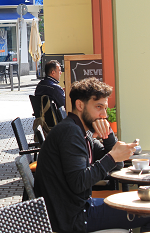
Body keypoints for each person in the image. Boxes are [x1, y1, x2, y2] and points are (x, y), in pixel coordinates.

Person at [34, 77, 150, 232]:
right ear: (80, 105)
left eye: (105, 108)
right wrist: (113, 157)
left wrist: (108, 136)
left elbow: (116, 165)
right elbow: (79, 182)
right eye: (99, 107)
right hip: (73, 218)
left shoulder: (81, 131)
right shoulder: (71, 133)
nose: (104, 115)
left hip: (77, 210)